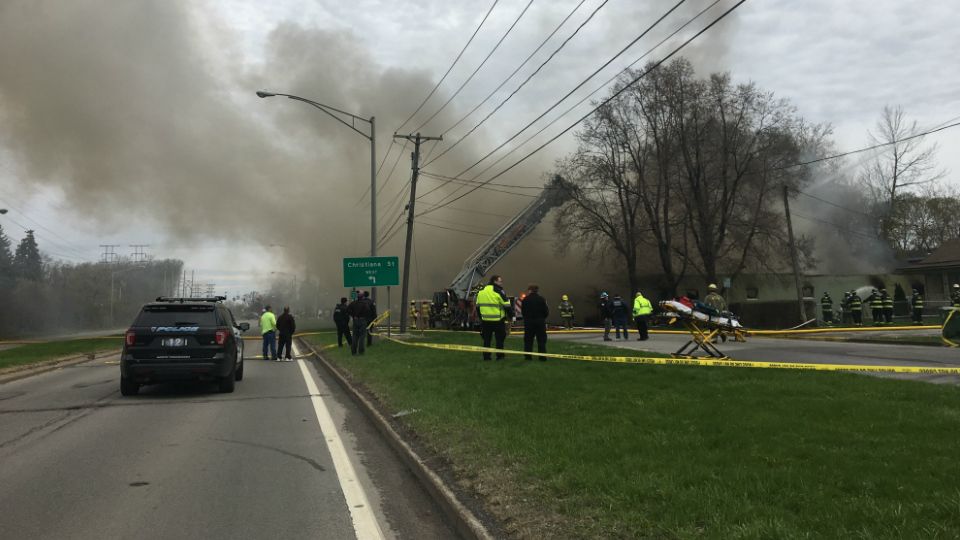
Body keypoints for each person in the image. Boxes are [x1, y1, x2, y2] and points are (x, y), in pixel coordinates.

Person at [476, 274, 511, 360]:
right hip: (498, 321)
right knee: (499, 340)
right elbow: (507, 305)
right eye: (500, 281)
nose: (501, 283)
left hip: (486, 321)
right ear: (495, 281)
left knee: (486, 340)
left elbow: (478, 307)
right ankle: (500, 356)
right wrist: (510, 316)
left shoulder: (481, 291)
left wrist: (481, 318)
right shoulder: (499, 291)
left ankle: (486, 357)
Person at [521, 284, 549, 360]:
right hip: (540, 322)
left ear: (530, 290)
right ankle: (542, 357)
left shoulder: (525, 299)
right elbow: (546, 311)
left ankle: (528, 357)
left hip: (529, 322)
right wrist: (542, 318)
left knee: (528, 340)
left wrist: (527, 318)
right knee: (541, 340)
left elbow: (523, 311)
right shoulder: (542, 299)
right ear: (537, 291)